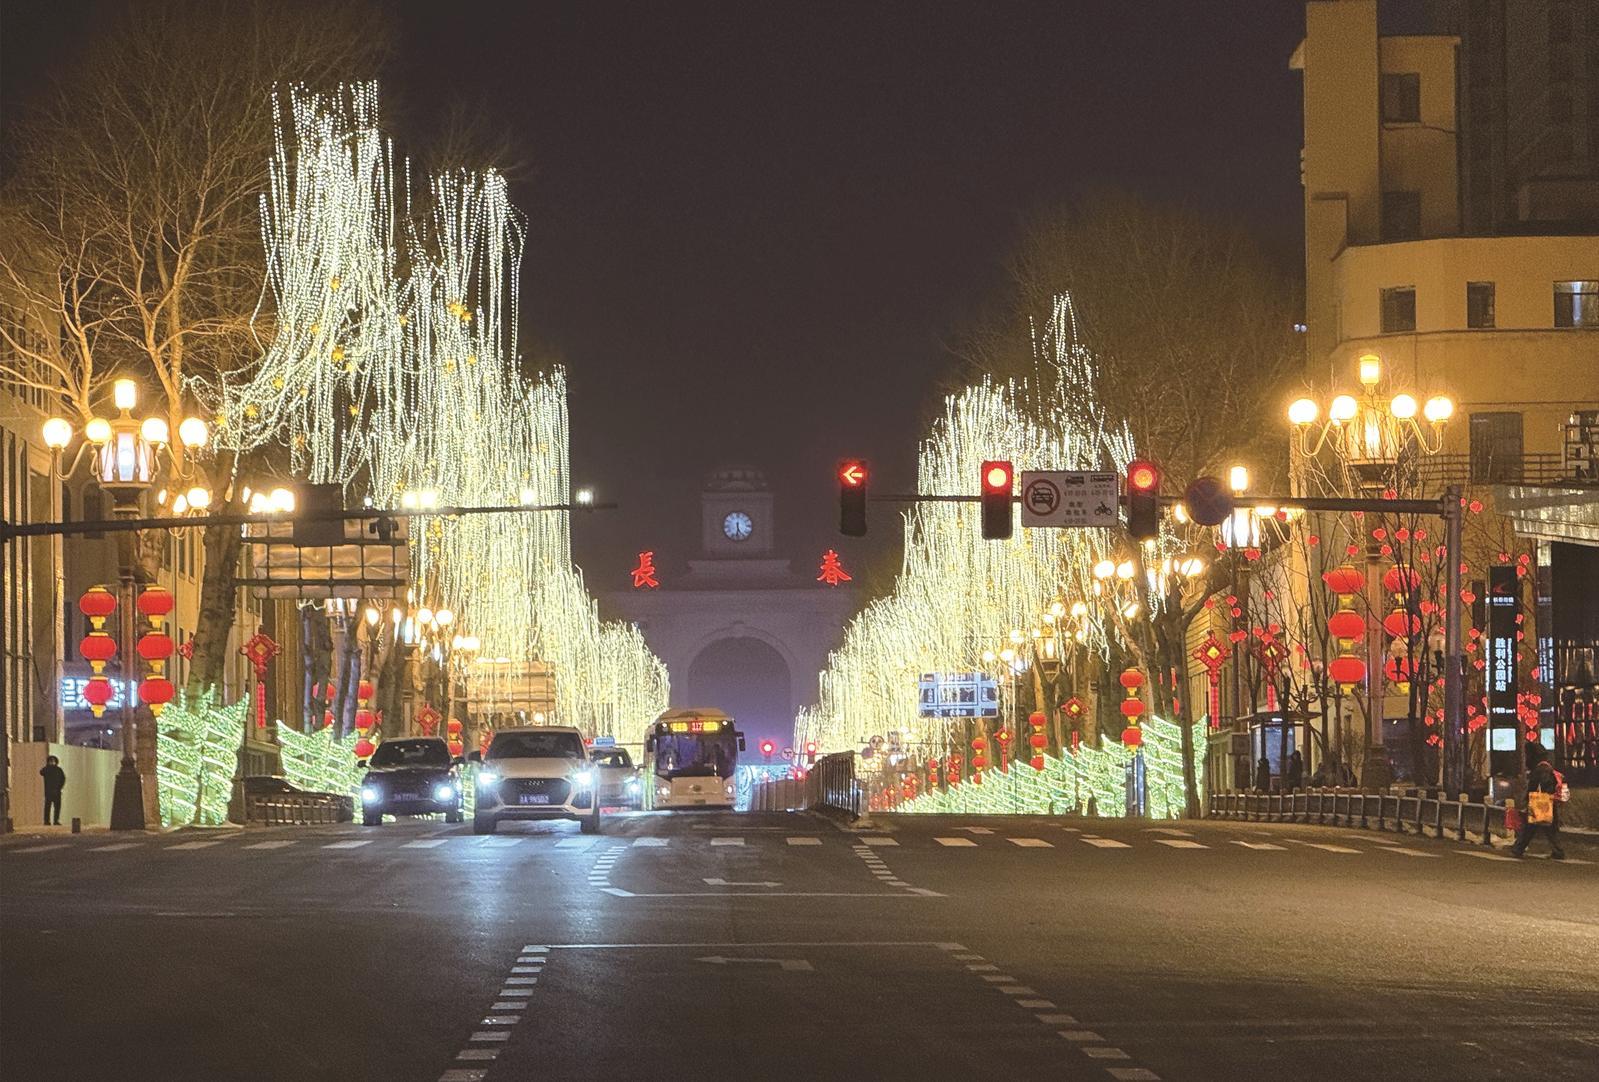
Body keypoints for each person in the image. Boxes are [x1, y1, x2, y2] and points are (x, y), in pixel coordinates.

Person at [1512, 758, 1567, 860]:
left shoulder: (1539, 770)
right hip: (1551, 801)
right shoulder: (1552, 771)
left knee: (1530, 828)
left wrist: (1527, 800)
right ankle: (1558, 851)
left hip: (1539, 802)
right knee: (1551, 829)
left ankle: (1518, 849)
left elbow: (1533, 786)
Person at [39, 755, 65, 826]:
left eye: (53, 761)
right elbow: (41, 772)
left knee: (57, 807)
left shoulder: (59, 770)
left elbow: (63, 779)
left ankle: (56, 820)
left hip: (56, 791)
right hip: (49, 792)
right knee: (47, 807)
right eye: (50, 761)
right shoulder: (47, 770)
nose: (52, 762)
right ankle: (46, 821)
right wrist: (48, 766)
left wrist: (60, 787)